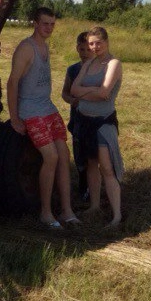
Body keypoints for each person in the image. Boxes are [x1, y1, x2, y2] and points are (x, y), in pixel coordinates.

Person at [7, 7, 78, 228]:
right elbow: (12, 82)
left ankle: (66, 210)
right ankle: (46, 213)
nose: (49, 28)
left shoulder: (45, 47)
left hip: (47, 107)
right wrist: (14, 117)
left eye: (52, 24)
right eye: (45, 23)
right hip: (30, 110)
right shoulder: (26, 48)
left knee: (64, 154)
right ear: (35, 23)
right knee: (51, 156)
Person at [70, 26, 123, 228]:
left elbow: (104, 93)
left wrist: (85, 91)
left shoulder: (113, 63)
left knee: (107, 168)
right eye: (91, 43)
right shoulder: (89, 63)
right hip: (84, 122)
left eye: (98, 43)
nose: (95, 47)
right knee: (91, 165)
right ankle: (94, 206)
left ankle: (116, 215)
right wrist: (93, 90)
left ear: (107, 42)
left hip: (103, 123)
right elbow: (74, 90)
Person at [61, 31, 92, 201]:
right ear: (77, 49)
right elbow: (64, 93)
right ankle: (83, 185)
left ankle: (93, 186)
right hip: (78, 119)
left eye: (88, 49)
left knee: (93, 154)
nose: (85, 53)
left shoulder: (100, 70)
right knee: (79, 154)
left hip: (94, 119)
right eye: (82, 49)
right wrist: (71, 100)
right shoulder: (72, 70)